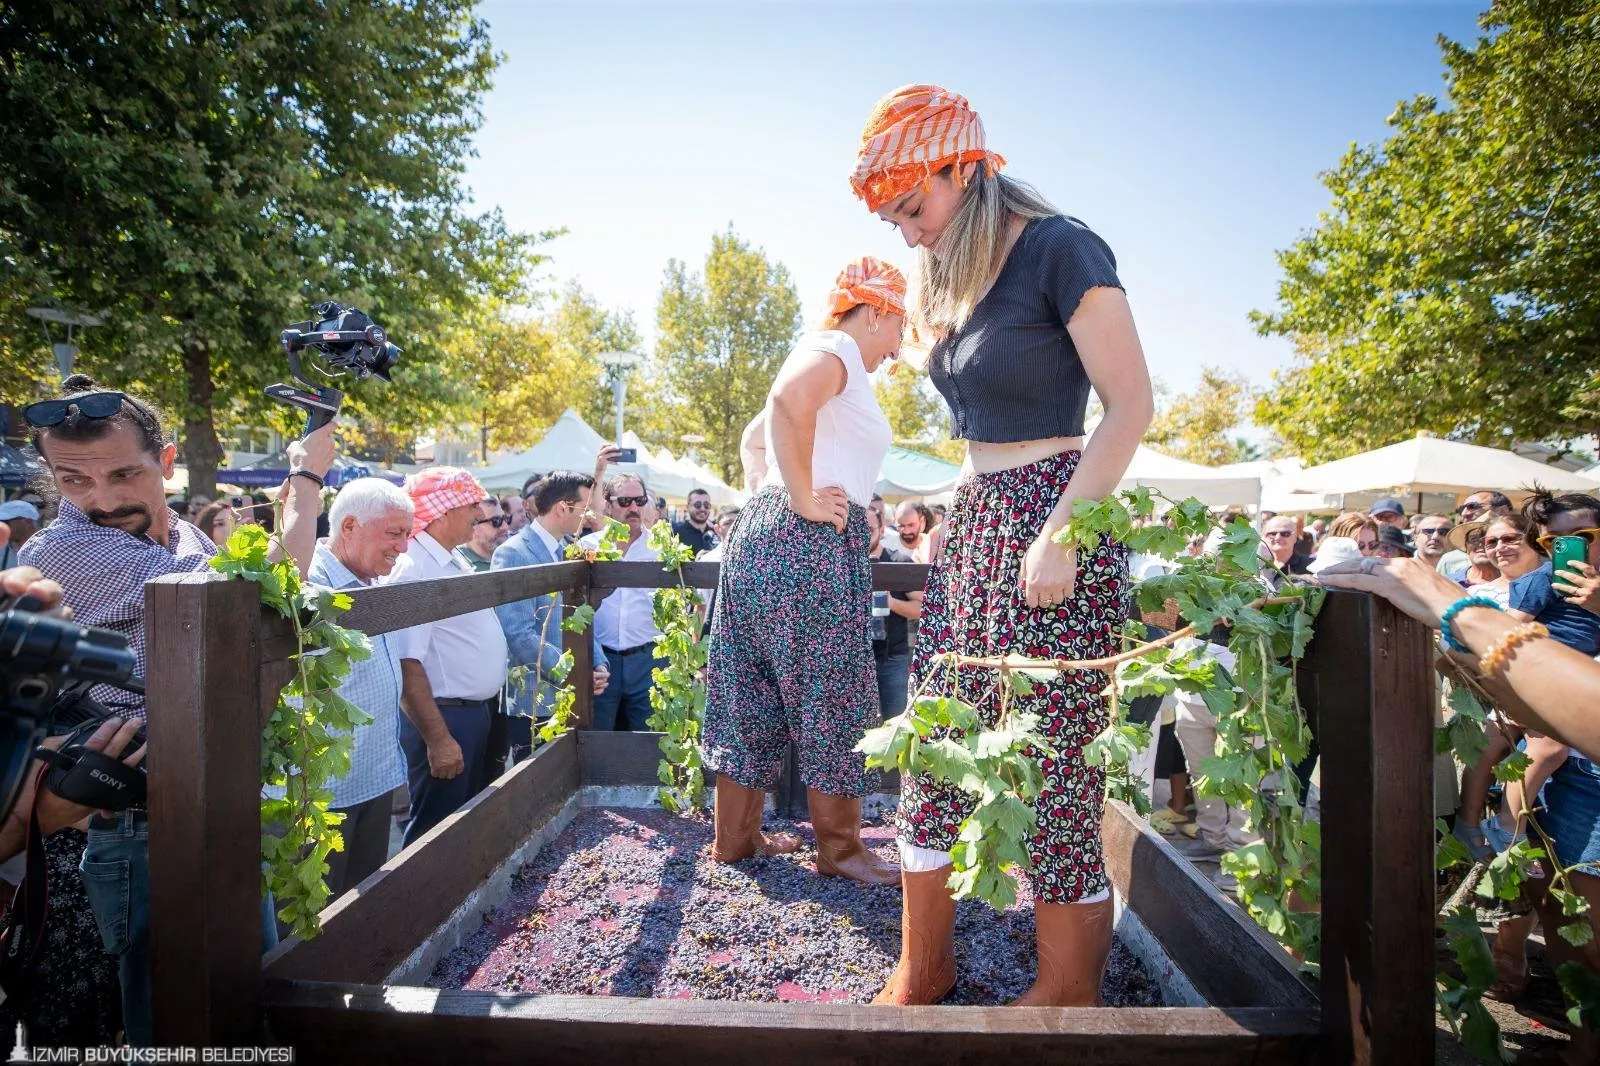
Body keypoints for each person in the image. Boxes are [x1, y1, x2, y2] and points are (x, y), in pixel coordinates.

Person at [850, 85, 1154, 1007]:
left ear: (964, 169)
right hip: (977, 518)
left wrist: (1061, 527)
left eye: (915, 207)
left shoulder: (1064, 247)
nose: (908, 234)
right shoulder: (960, 268)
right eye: (893, 218)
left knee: (1058, 768)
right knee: (937, 740)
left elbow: (1131, 405)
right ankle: (925, 965)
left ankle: (1067, 993)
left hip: (1058, 515)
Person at [17, 375, 331, 1046]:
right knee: (176, 1026)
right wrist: (307, 477)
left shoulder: (181, 532)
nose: (101, 500)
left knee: (238, 1002)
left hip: (206, 800)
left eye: (124, 474)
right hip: (142, 823)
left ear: (165, 462)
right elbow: (270, 590)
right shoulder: (64, 550)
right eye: (73, 481)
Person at [704, 254, 906, 887]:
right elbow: (788, 400)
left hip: (761, 536)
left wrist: (769, 492)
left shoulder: (823, 349)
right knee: (832, 689)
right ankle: (841, 850)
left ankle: (734, 840)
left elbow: (753, 437)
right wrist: (802, 497)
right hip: (808, 536)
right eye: (899, 336)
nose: (894, 355)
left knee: (750, 683)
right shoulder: (838, 344)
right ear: (878, 311)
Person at [389, 467, 508, 846]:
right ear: (443, 511)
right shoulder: (415, 569)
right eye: (470, 504)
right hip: (445, 717)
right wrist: (438, 739)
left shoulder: (446, 558)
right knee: (434, 836)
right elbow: (408, 664)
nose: (478, 513)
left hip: (469, 714)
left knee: (462, 829)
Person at [308, 479, 414, 898]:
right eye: (394, 533)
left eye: (407, 534)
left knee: (359, 905)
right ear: (349, 526)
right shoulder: (311, 584)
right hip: (321, 795)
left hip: (371, 777)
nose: (403, 547)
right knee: (312, 920)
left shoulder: (368, 581)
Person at [492, 471, 609, 767]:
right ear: (562, 508)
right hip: (535, 703)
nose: (589, 516)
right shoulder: (513, 553)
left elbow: (577, 617)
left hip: (572, 698)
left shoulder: (569, 549)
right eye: (584, 508)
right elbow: (518, 634)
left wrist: (597, 662)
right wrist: (573, 672)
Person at [583, 471, 666, 731]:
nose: (633, 508)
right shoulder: (588, 547)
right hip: (600, 662)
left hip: (648, 660)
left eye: (639, 501)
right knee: (597, 739)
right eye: (625, 501)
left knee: (649, 744)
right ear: (607, 504)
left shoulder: (662, 550)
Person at [865, 502, 921, 720]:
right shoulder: (845, 564)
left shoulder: (899, 561)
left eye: (869, 530)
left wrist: (891, 603)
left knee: (896, 725)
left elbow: (921, 608)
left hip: (892, 659)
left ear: (881, 529)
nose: (864, 535)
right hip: (855, 660)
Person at [455, 498, 508, 572]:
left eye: (505, 518)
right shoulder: (458, 565)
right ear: (472, 525)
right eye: (496, 521)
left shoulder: (513, 556)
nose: (505, 527)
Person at [1444, 521, 1500, 588]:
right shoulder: (1448, 582)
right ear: (1466, 546)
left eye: (1490, 540)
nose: (1481, 544)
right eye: (1474, 539)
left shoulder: (1512, 582)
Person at [673, 488, 718, 556]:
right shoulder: (676, 534)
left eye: (706, 505)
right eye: (698, 505)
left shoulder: (716, 533)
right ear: (688, 507)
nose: (702, 508)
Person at [0, 501, 40, 568]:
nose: (2, 526)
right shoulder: (2, 547)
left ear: (28, 521)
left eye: (5, 522)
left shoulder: (48, 550)